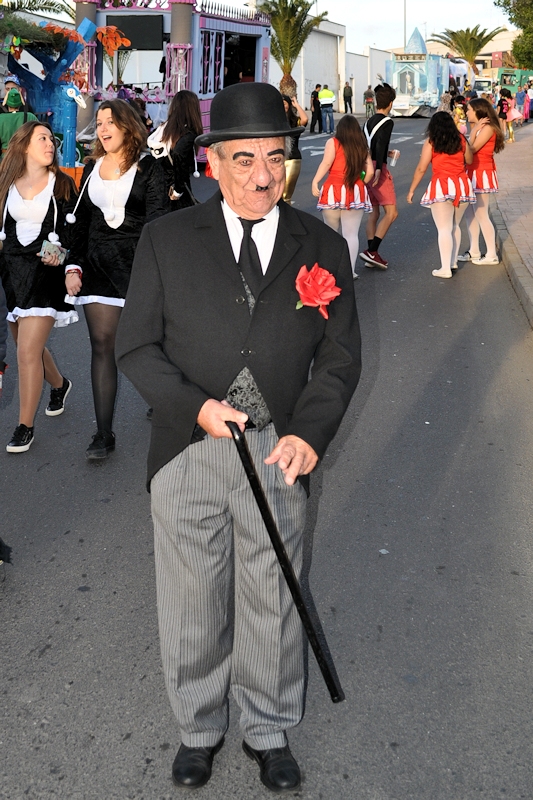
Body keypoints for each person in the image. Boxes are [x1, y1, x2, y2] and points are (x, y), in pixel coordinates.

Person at [115, 81, 361, 794]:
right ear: (214, 162)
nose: (262, 175)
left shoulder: (320, 244)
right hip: (187, 450)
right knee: (191, 599)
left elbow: (340, 356)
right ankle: (198, 727)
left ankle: (267, 728)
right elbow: (136, 347)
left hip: (279, 450)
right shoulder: (166, 240)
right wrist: (194, 408)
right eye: (245, 158)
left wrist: (309, 433)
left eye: (275, 157)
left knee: (272, 596)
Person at [64, 99, 167, 460]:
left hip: (139, 267)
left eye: (110, 121)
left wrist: (157, 271)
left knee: (147, 345)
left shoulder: (149, 167)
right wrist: (72, 266)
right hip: (97, 268)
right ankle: (103, 434)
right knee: (102, 344)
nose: (103, 128)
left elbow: (158, 221)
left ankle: (177, 406)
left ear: (127, 125)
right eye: (100, 122)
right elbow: (80, 223)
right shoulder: (91, 168)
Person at [0, 121, 77, 453]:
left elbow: (75, 231)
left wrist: (61, 254)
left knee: (26, 352)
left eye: (51, 139)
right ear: (25, 146)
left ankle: (24, 426)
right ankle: (59, 384)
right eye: (42, 138)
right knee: (25, 346)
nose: (50, 144)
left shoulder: (62, 184)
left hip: (46, 276)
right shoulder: (6, 183)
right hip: (12, 276)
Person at [407, 111, 475, 279]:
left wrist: (412, 190)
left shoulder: (432, 142)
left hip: (441, 185)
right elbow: (469, 160)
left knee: (443, 228)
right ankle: (453, 262)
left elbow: (421, 168)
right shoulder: (461, 139)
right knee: (455, 226)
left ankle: (445, 268)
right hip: (461, 185)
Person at [312, 114, 373, 279]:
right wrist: (361, 184)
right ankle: (350, 271)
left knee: (330, 233)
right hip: (355, 189)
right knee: (351, 234)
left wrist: (315, 181)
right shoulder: (362, 146)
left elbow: (326, 163)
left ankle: (331, 269)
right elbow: (370, 172)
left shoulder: (333, 142)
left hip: (334, 189)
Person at [457, 98, 505, 266]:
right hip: (473, 172)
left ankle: (491, 254)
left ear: (478, 111)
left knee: (481, 214)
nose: (466, 112)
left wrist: (474, 130)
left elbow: (471, 149)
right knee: (470, 214)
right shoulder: (479, 127)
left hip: (482, 173)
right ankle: (474, 250)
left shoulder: (488, 128)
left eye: (469, 109)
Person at [360, 82, 398, 269]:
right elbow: (381, 143)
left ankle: (371, 254)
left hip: (364, 167)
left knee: (374, 212)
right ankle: (372, 251)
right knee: (391, 213)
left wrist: (387, 153)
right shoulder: (387, 122)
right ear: (390, 103)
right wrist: (378, 169)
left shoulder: (367, 122)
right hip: (377, 169)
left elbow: (369, 146)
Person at [149, 89, 203, 211]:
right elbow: (179, 155)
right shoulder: (187, 133)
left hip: (156, 187)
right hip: (173, 191)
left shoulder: (163, 129)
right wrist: (178, 189)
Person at [281, 94, 308, 203]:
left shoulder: (294, 121)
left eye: (285, 104)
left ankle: (286, 214)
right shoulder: (275, 121)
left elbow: (305, 119)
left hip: (292, 160)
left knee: (286, 195)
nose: (283, 106)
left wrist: (296, 104)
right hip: (277, 161)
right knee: (276, 196)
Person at [0, 89, 38, 158]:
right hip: (24, 157)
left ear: (6, 103)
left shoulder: (1, 118)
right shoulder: (30, 116)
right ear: (20, 103)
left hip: (5, 158)